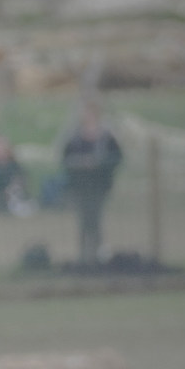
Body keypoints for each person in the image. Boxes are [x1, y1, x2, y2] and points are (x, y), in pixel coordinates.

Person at [59, 107, 124, 268]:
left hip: (99, 186)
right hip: (80, 186)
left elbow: (116, 157)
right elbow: (65, 158)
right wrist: (80, 164)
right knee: (83, 220)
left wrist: (99, 164)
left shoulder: (106, 137)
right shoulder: (74, 137)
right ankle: (84, 256)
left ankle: (98, 254)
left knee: (96, 219)